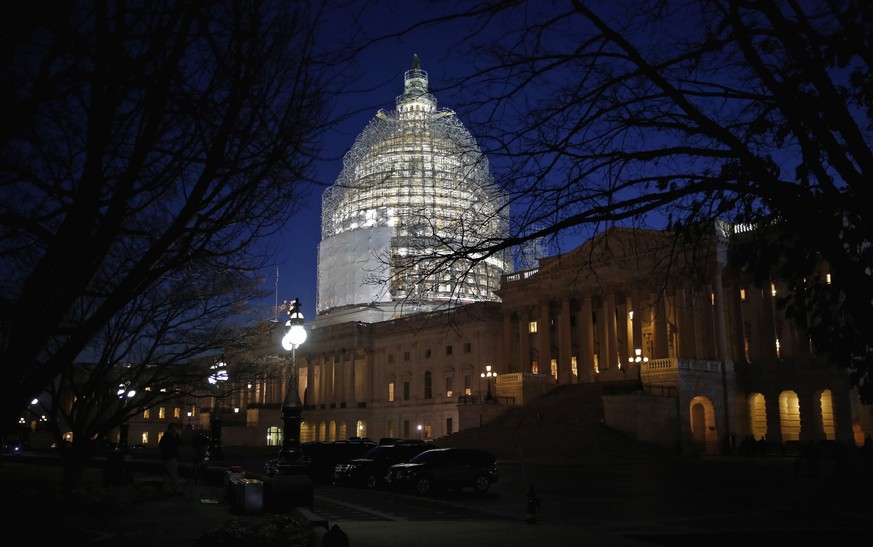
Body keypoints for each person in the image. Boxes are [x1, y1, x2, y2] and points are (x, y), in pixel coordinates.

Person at [159, 422, 182, 495]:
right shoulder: (168, 436)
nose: (176, 429)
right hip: (170, 457)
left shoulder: (170, 435)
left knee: (168, 474)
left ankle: (168, 490)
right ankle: (175, 490)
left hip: (169, 456)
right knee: (173, 474)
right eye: (175, 428)